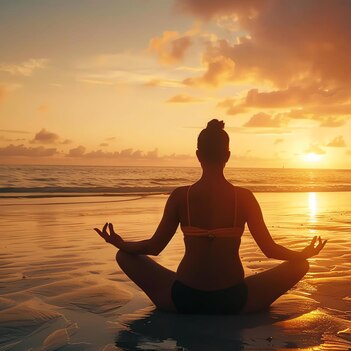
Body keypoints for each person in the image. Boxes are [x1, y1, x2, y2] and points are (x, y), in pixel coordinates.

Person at [94, 119, 327, 314]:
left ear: (198, 155)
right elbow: (270, 249)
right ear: (227, 155)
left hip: (183, 300)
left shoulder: (180, 196)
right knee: (300, 265)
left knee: (124, 256)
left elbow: (154, 247)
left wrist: (122, 244)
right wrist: (302, 254)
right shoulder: (244, 197)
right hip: (234, 302)